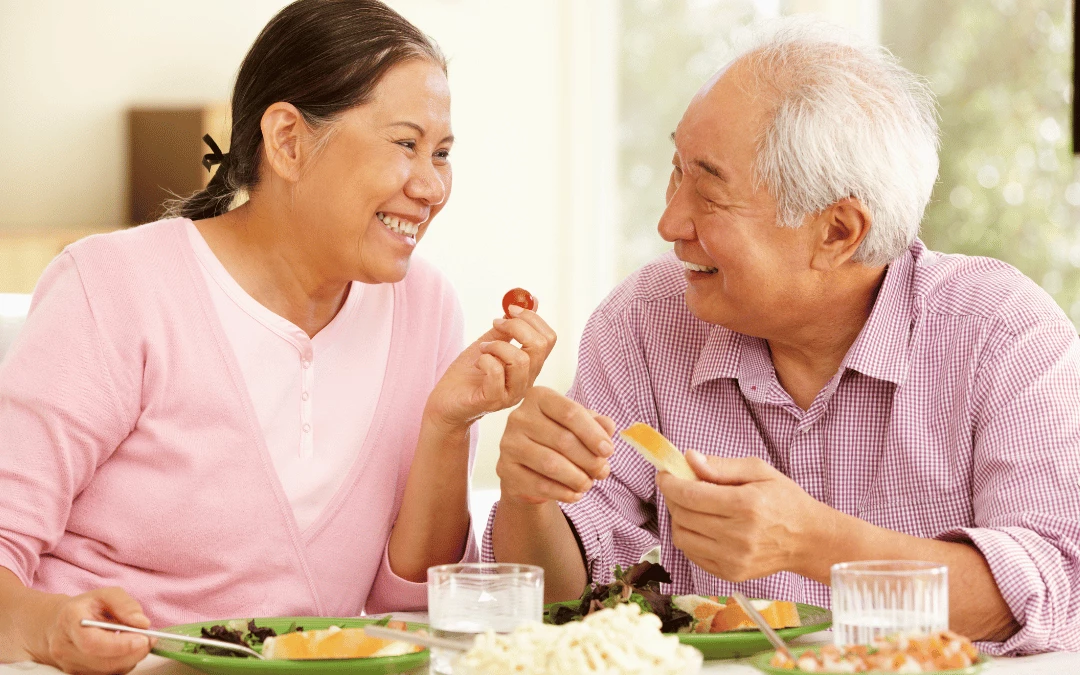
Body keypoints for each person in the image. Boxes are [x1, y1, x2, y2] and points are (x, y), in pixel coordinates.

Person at [486, 19, 1080, 656]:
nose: (669, 221)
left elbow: (1050, 589)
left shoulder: (1001, 333)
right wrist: (529, 499)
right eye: (675, 171)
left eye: (709, 192)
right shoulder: (643, 322)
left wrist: (813, 543)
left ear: (837, 232)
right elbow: (569, 601)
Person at [0, 1, 556, 673]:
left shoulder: (425, 304)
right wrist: (48, 625)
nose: (432, 185)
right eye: (406, 144)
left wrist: (447, 421)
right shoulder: (114, 286)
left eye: (441, 154)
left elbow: (400, 603)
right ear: (288, 140)